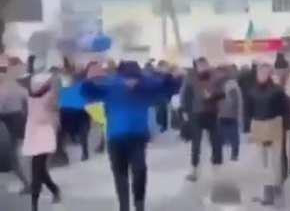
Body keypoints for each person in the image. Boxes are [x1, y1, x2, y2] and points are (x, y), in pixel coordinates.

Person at [81, 60, 180, 211]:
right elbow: (88, 93)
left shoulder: (146, 86)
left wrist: (168, 76)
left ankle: (139, 204)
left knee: (140, 170)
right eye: (127, 78)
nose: (130, 82)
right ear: (120, 77)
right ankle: (124, 206)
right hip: (115, 138)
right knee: (120, 175)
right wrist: (88, 79)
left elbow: (171, 88)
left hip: (137, 137)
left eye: (134, 78)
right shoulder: (111, 85)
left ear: (139, 77)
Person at [249, 62, 290, 207]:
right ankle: (267, 192)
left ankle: (278, 188)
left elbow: (287, 109)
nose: (262, 75)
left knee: (276, 161)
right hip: (258, 126)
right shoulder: (252, 90)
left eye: (265, 72)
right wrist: (246, 129)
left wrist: (288, 126)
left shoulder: (277, 90)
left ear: (269, 74)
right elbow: (247, 110)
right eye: (260, 72)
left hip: (274, 125)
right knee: (262, 162)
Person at [21, 72, 62, 211]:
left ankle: (34, 205)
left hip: (43, 135)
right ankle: (55, 190)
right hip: (36, 134)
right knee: (40, 169)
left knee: (37, 170)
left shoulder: (48, 97)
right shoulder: (37, 96)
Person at [180, 57, 225, 182]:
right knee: (196, 143)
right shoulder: (190, 78)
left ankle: (217, 167)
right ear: (197, 67)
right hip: (196, 114)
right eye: (200, 66)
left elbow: (222, 93)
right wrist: (184, 111)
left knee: (216, 141)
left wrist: (213, 95)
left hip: (212, 113)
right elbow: (185, 95)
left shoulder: (215, 77)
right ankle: (194, 169)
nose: (203, 68)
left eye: (205, 66)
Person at [0, 56, 30, 194]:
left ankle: (27, 183)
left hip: (8, 123)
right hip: (19, 119)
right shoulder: (16, 86)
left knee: (14, 157)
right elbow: (27, 100)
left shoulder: (4, 88)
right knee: (19, 153)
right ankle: (29, 182)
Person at [217, 66, 242, 161]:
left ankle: (233, 154)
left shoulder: (229, 84)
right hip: (226, 114)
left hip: (227, 114)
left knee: (231, 135)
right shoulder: (231, 83)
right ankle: (233, 154)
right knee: (232, 135)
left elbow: (234, 100)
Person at [238, 63, 256, 133]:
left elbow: (238, 84)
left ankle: (246, 128)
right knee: (252, 112)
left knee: (246, 113)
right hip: (253, 95)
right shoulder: (254, 75)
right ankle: (253, 127)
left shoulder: (241, 76)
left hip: (245, 96)